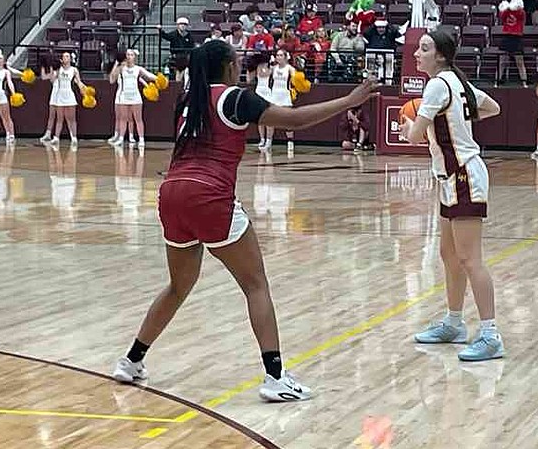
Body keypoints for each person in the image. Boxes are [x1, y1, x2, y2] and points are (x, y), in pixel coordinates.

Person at [111, 40, 378, 400]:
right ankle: (275, 376)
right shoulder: (236, 98)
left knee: (178, 286)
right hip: (209, 194)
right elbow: (294, 121)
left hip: (172, 192)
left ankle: (131, 361)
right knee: (255, 284)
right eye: (236, 62)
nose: (240, 67)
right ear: (227, 67)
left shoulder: (186, 101)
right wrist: (349, 101)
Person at [398, 29, 504, 361]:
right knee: (448, 253)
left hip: (464, 176)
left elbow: (414, 137)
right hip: (450, 178)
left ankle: (490, 335)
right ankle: (454, 323)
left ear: (440, 56)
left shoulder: (436, 85)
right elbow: (493, 108)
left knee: (471, 259)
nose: (417, 54)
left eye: (424, 49)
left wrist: (407, 128)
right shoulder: (457, 84)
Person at [109, 49, 157, 148]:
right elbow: (112, 79)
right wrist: (117, 64)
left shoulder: (138, 69)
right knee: (123, 119)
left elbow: (149, 75)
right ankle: (121, 138)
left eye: (131, 55)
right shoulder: (121, 68)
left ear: (135, 57)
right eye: (128, 54)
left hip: (135, 97)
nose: (129, 56)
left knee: (138, 119)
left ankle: (141, 139)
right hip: (123, 97)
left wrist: (159, 78)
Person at [46, 52, 88, 147]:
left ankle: (74, 137)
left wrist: (84, 91)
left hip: (69, 95)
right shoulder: (59, 69)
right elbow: (52, 80)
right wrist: (53, 69)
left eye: (67, 56)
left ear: (70, 59)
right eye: (64, 56)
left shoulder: (74, 70)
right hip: (60, 95)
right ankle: (56, 137)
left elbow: (79, 82)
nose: (65, 58)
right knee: (60, 118)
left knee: (72, 118)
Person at [264, 49, 295, 153]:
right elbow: (265, 75)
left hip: (285, 95)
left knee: (288, 120)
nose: (279, 57)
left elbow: (296, 80)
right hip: (274, 95)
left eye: (281, 55)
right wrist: (269, 64)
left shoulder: (290, 69)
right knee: (270, 120)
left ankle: (290, 142)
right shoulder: (274, 68)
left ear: (286, 57)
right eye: (277, 55)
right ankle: (268, 142)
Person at [497, 0, 527, 86]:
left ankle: (524, 82)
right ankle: (498, 80)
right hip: (506, 36)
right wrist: (507, 8)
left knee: (520, 62)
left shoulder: (521, 12)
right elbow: (502, 17)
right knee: (502, 61)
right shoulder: (506, 11)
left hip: (517, 37)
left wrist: (514, 7)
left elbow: (521, 14)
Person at [159, 17, 195, 82]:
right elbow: (166, 36)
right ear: (178, 25)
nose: (183, 26)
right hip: (176, 56)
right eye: (181, 24)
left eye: (184, 24)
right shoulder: (174, 34)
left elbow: (192, 46)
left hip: (186, 57)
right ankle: (178, 82)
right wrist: (160, 30)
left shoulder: (189, 35)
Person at [253, 54, 273, 149]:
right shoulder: (259, 67)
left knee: (269, 118)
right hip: (259, 90)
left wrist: (271, 65)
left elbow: (269, 74)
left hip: (267, 91)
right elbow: (261, 74)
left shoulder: (271, 67)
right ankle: (262, 139)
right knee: (260, 118)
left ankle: (269, 140)